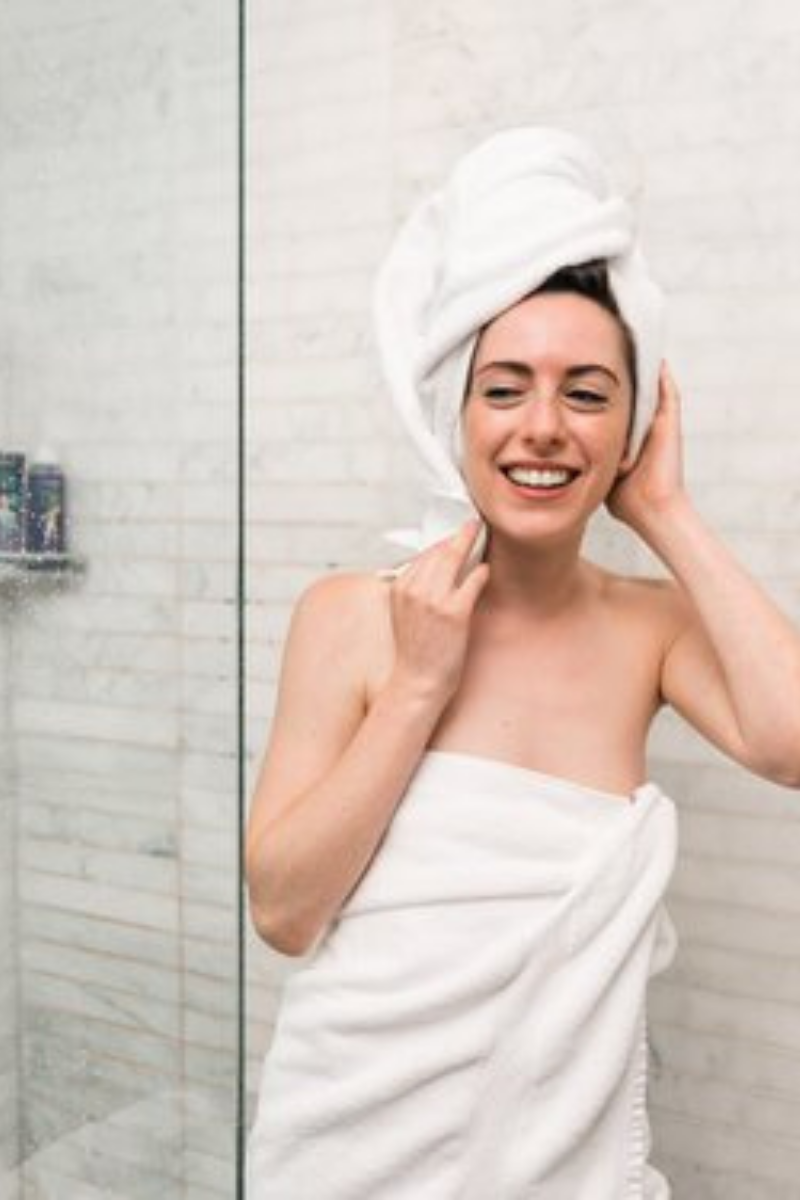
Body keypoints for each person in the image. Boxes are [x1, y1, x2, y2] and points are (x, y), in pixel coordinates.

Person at [245, 131, 800, 1199]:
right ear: (452, 410)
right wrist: (415, 687)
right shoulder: (350, 619)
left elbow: (791, 745)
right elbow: (283, 913)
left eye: (586, 394)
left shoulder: (652, 631)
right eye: (503, 389)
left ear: (629, 425)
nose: (541, 429)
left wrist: (667, 512)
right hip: (348, 1156)